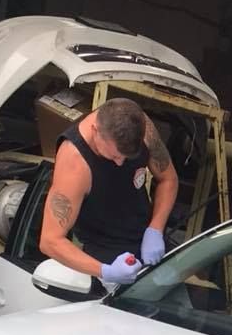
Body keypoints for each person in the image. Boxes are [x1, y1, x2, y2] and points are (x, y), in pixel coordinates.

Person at [39, 97, 179, 285]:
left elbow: (168, 179)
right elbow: (50, 241)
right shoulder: (75, 161)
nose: (120, 162)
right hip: (104, 252)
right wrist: (105, 271)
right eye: (113, 156)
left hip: (148, 236)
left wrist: (155, 229)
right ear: (95, 131)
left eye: (127, 157)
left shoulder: (141, 127)